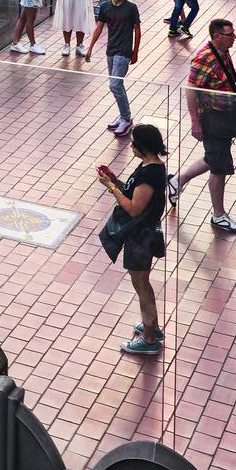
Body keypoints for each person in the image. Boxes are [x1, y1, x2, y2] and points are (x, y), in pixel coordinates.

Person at [96, 123, 170, 357]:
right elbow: (132, 192)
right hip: (142, 235)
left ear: (142, 147)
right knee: (142, 285)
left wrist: (109, 188)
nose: (131, 146)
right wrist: (115, 181)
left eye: (134, 143)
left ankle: (148, 339)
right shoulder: (149, 166)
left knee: (142, 286)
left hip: (141, 237)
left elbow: (133, 208)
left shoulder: (150, 174)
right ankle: (153, 328)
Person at [167, 19, 236, 234]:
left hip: (224, 117)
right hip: (213, 120)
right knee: (219, 167)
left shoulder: (222, 52)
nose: (234, 37)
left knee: (215, 157)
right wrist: (195, 122)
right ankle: (219, 215)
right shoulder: (204, 57)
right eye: (230, 34)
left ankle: (177, 181)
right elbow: (191, 89)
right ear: (217, 36)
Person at [85, 0, 140, 135]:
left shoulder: (131, 8)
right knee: (117, 85)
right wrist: (90, 48)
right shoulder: (105, 7)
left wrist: (135, 51)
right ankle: (124, 117)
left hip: (123, 52)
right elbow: (99, 28)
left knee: (114, 85)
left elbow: (137, 30)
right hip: (111, 50)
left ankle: (126, 119)